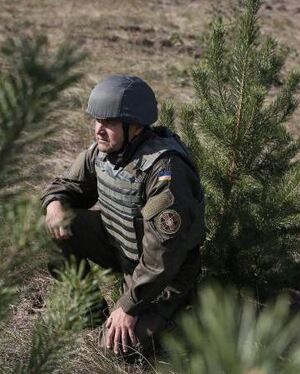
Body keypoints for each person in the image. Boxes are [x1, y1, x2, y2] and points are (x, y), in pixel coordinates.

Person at [40, 75, 205, 356]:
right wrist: (54, 204)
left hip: (164, 274)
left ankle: (184, 314)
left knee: (118, 348)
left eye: (110, 123)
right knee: (49, 222)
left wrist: (128, 306)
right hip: (122, 248)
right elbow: (67, 187)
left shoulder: (166, 171)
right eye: (97, 121)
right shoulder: (106, 151)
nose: (98, 130)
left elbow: (161, 258)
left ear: (137, 127)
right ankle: (90, 310)